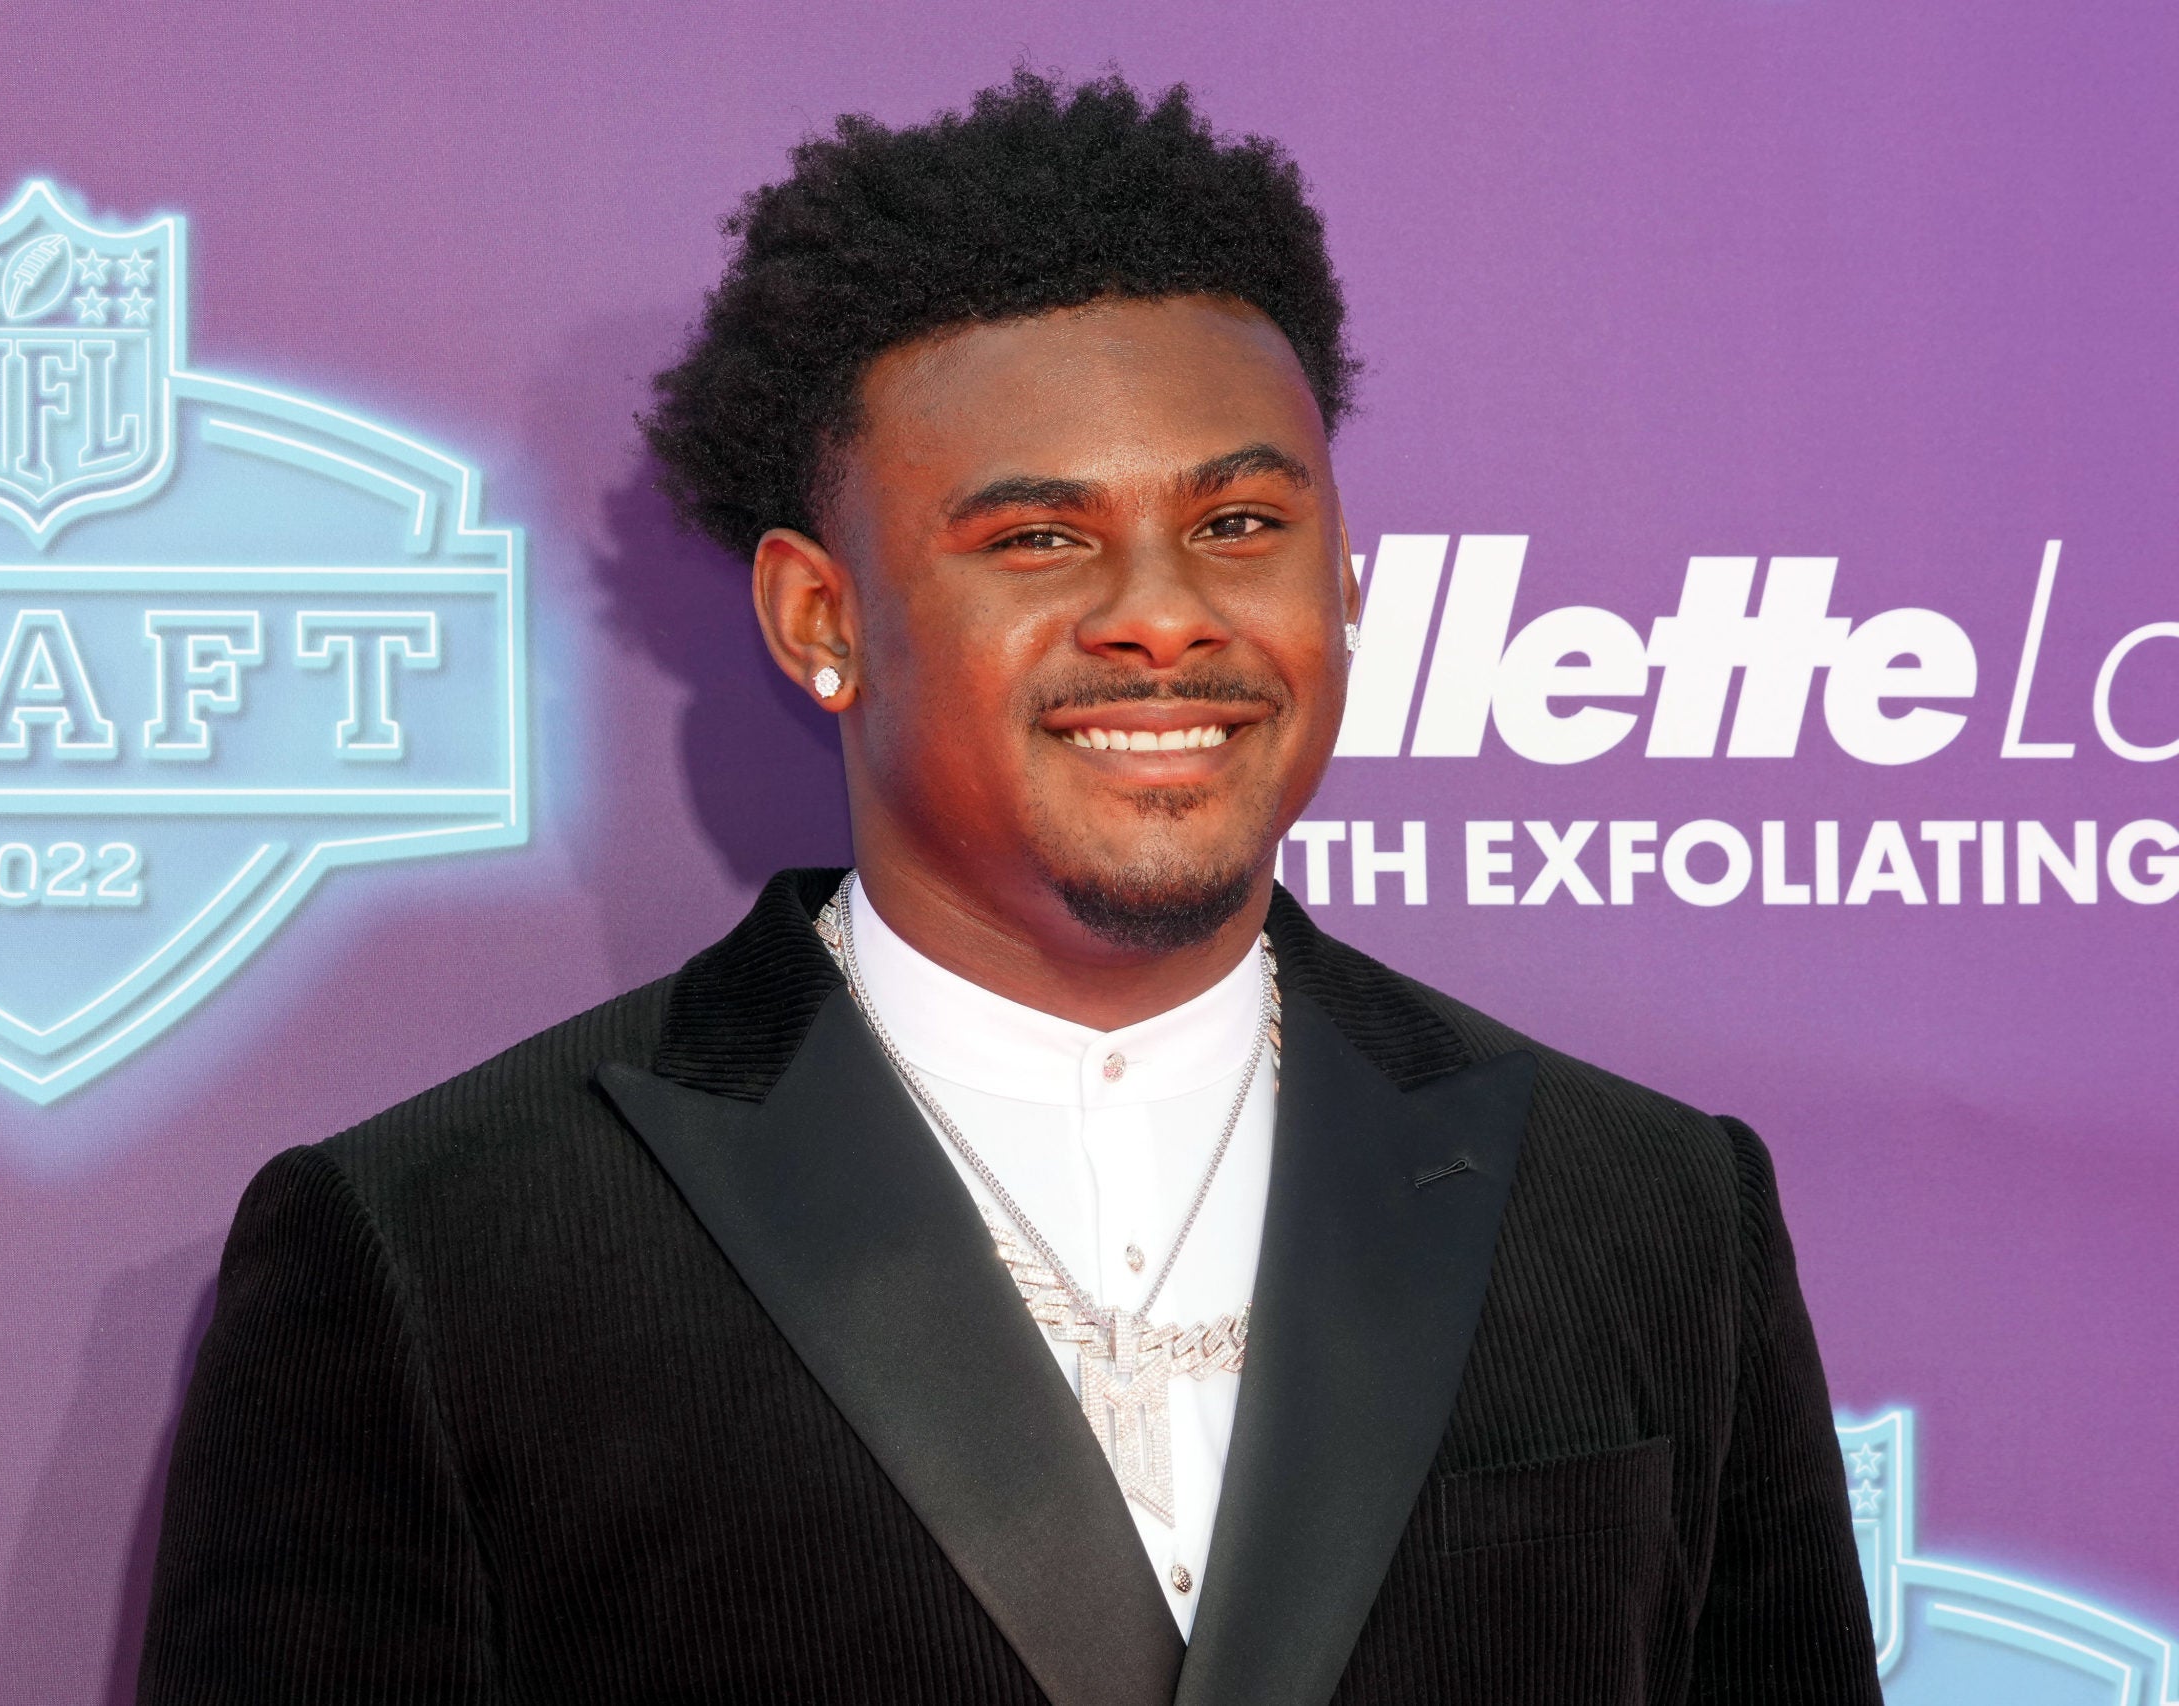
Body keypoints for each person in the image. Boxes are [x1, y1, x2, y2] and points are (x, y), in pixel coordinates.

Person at [136, 72, 1880, 1705]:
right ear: (823, 617)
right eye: (1041, 539)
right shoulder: (444, 1249)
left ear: (1341, 578)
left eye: (1241, 525)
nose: (1165, 613)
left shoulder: (1649, 1208)